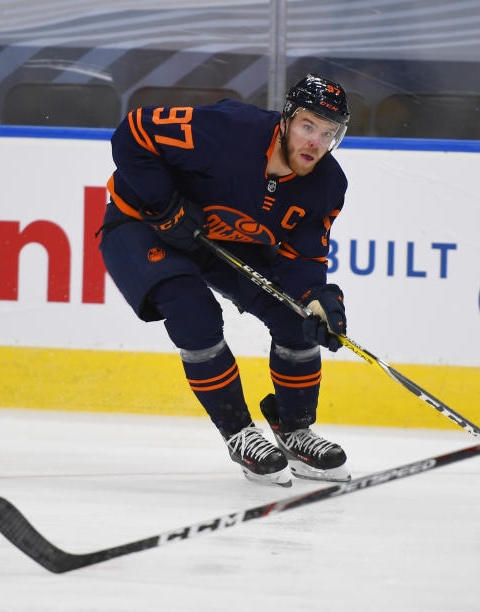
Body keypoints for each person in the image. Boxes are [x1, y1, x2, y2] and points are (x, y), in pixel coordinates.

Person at [99, 74, 354, 487]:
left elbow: (303, 256)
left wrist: (316, 297)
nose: (316, 143)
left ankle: (294, 431)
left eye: (328, 133)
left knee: (295, 319)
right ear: (286, 121)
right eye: (308, 126)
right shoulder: (227, 130)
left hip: (221, 241)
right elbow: (133, 133)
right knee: (192, 312)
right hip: (142, 223)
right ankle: (239, 433)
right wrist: (165, 205)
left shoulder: (326, 184)